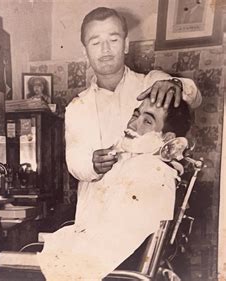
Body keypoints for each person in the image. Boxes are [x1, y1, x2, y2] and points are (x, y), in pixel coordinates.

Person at [65, 7, 202, 223]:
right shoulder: (77, 106)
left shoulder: (151, 83)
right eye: (95, 42)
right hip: (95, 216)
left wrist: (175, 84)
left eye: (113, 39)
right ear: (85, 52)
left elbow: (194, 96)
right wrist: (91, 164)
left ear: (126, 44)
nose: (105, 49)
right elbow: (73, 160)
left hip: (143, 215)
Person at [38, 98, 192, 280]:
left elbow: (106, 253)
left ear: (166, 139)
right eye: (136, 114)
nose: (133, 124)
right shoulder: (140, 165)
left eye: (147, 121)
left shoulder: (149, 172)